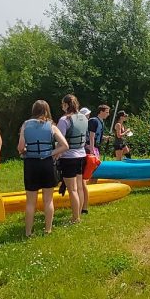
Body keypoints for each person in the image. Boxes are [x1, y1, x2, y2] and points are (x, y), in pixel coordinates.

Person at [17, 100, 69, 237]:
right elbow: (65, 145)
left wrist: (26, 150)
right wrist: (50, 153)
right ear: (47, 110)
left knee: (30, 201)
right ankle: (48, 229)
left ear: (33, 110)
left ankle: (28, 232)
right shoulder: (51, 126)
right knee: (48, 199)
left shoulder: (25, 125)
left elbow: (20, 148)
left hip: (31, 164)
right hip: (46, 164)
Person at [56, 94, 88, 223]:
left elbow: (60, 140)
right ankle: (78, 214)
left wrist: (55, 154)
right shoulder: (83, 117)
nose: (62, 107)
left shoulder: (64, 120)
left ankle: (75, 218)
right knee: (79, 187)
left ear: (66, 105)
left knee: (72, 189)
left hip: (69, 157)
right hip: (81, 155)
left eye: (62, 104)